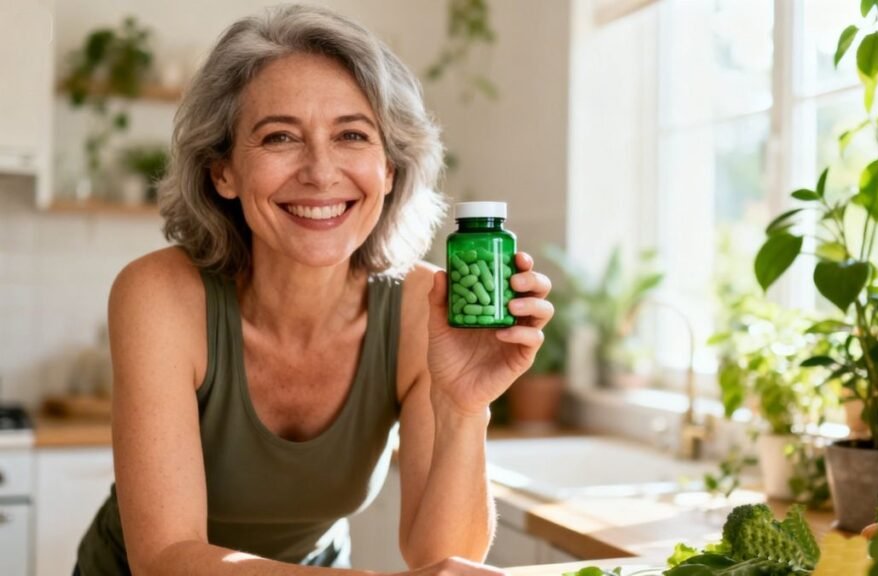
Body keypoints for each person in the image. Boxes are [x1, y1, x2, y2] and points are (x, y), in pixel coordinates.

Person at [75, 5, 554, 575]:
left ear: (390, 169)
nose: (321, 173)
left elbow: (441, 558)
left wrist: (463, 407)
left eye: (352, 135)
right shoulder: (158, 295)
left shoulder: (422, 310)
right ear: (222, 170)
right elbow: (167, 557)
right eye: (280, 137)